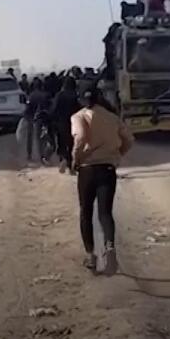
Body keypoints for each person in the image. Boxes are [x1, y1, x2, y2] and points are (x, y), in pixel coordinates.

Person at [71, 86, 134, 275]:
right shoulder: (112, 117)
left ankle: (91, 256)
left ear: (82, 100)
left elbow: (81, 137)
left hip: (87, 170)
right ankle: (110, 248)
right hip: (107, 168)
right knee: (105, 213)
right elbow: (129, 140)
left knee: (86, 212)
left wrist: (75, 158)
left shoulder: (79, 116)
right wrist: (117, 155)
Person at [18, 78, 52, 166]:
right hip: (44, 119)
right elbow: (50, 108)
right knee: (43, 138)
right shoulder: (46, 95)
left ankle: (29, 154)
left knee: (30, 138)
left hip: (32, 119)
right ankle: (42, 156)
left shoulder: (31, 96)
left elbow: (28, 109)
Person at [50, 79, 81, 173]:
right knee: (72, 144)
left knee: (62, 143)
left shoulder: (60, 95)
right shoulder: (75, 96)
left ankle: (63, 159)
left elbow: (54, 109)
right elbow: (79, 109)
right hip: (74, 123)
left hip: (61, 123)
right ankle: (71, 164)